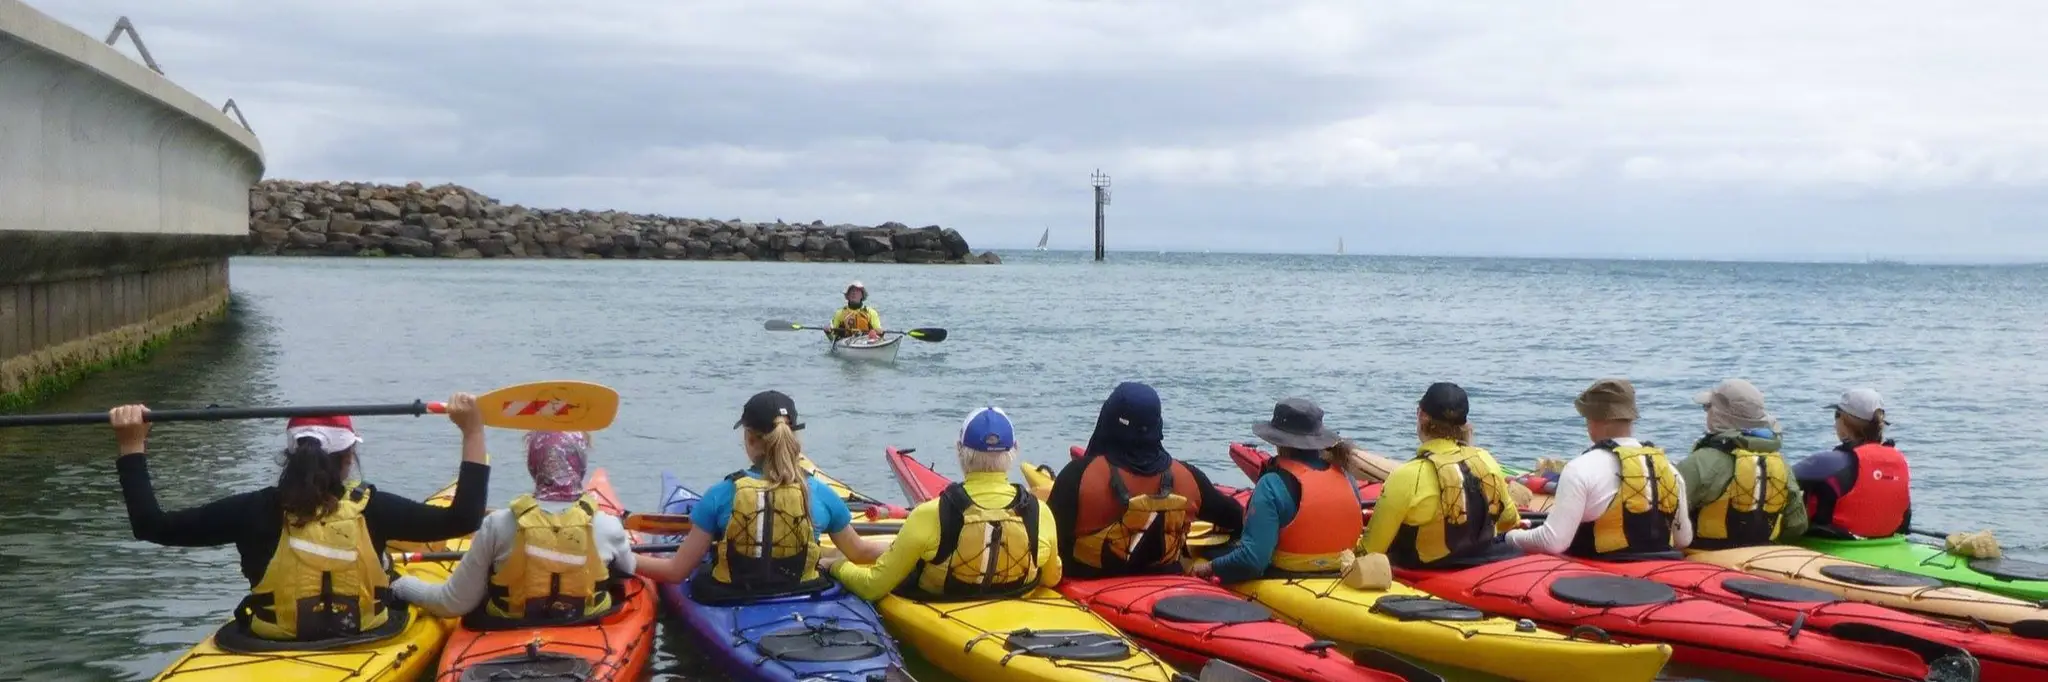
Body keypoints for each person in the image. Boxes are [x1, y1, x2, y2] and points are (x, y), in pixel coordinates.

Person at [111, 394, 490, 642]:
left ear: (290, 457)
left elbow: (151, 526)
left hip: (267, 640)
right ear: (347, 460)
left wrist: (131, 443)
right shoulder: (373, 508)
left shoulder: (251, 510)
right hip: (366, 635)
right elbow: (464, 518)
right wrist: (472, 431)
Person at [632, 391, 882, 601]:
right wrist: (904, 546)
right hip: (803, 591)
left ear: (749, 439)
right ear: (793, 437)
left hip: (733, 596)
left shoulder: (721, 495)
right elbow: (860, 552)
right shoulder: (820, 492)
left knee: (705, 568)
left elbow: (676, 572)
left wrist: (623, 558)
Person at [392, 431, 634, 625]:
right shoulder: (608, 526)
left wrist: (403, 586)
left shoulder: (498, 524)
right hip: (587, 624)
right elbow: (629, 570)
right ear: (580, 462)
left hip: (508, 628)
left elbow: (453, 603)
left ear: (533, 463)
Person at [827, 407, 1060, 600]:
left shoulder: (929, 514)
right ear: (1015, 451)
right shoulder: (1040, 513)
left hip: (944, 601)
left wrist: (836, 566)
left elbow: (872, 587)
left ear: (959, 450)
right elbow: (1051, 578)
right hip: (1015, 603)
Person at [1049, 381, 1243, 579]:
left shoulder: (1078, 476)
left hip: (1087, 587)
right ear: (1157, 425)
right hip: (1165, 589)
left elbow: (1045, 542)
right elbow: (1237, 518)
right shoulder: (1189, 478)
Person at [1505, 378, 1694, 559]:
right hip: (1659, 577)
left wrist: (1510, 536)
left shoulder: (1581, 468)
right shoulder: (1670, 470)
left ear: (1593, 419)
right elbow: (1683, 539)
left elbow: (1553, 542)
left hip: (1599, 579)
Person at [1359, 383, 1524, 570]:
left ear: (1421, 415)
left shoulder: (1407, 476)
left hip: (1426, 573)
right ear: (1464, 423)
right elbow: (1509, 520)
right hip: (1483, 563)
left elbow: (1371, 549)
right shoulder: (1486, 461)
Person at [1203, 397, 1369, 582]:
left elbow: (1253, 561)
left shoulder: (1271, 484)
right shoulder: (1347, 477)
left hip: (1286, 576)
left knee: (1210, 552)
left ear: (1278, 441)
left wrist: (1209, 567)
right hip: (1341, 571)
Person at [1677, 379, 1808, 550]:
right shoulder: (1781, 464)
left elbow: (1668, 518)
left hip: (1704, 554)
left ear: (1719, 415)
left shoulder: (1699, 462)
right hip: (1762, 554)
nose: (1706, 413)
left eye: (1707, 407)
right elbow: (1797, 525)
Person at [1794, 388, 1911, 539]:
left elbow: (1776, 478)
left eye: (1836, 415)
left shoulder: (1828, 462)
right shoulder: (1900, 460)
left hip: (1833, 544)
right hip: (1888, 541)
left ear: (1844, 422)